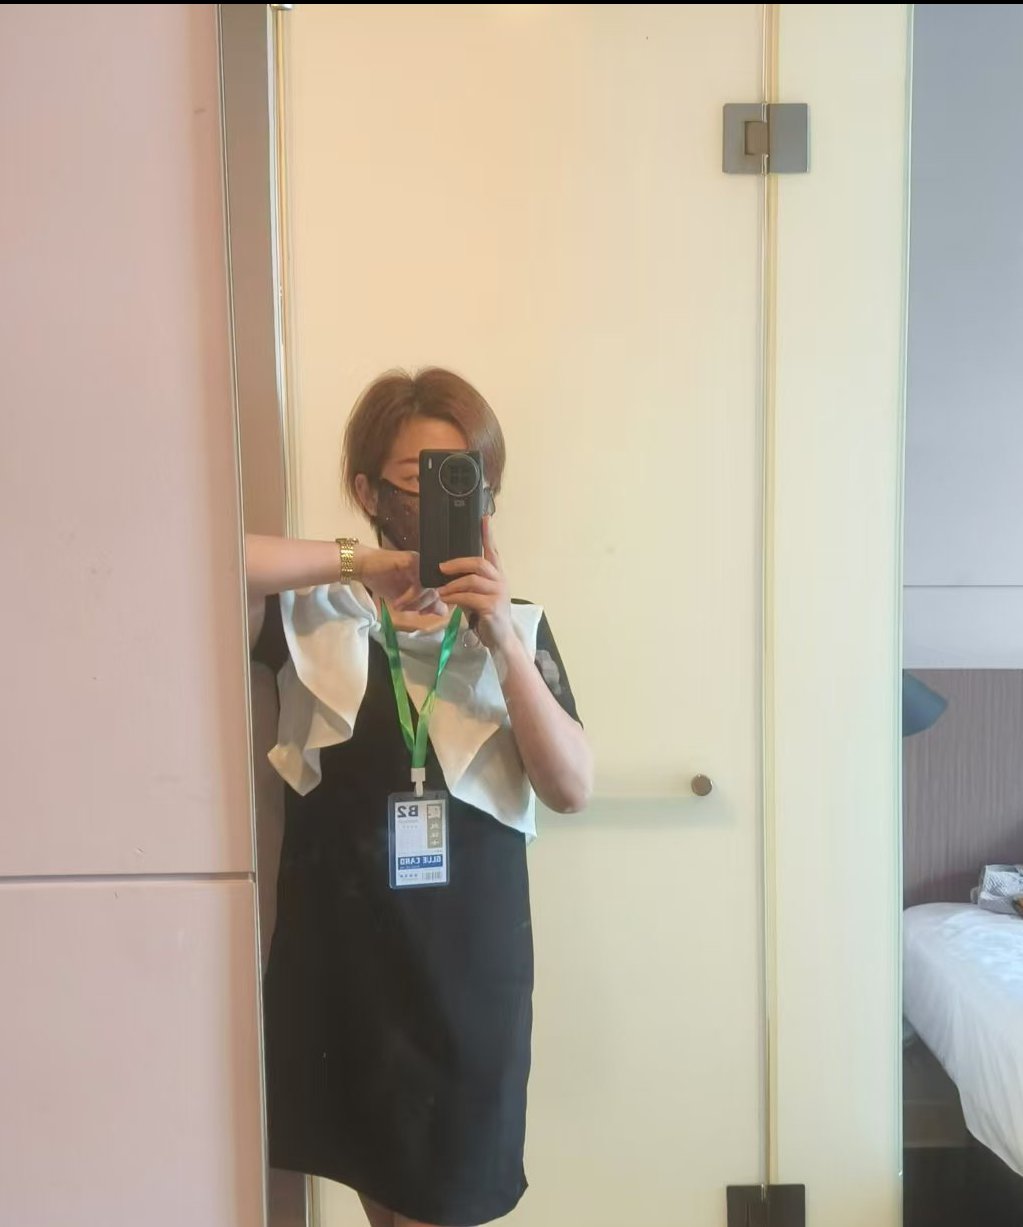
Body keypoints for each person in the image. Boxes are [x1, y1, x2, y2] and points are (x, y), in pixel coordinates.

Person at [247, 367, 593, 1227]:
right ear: (368, 491)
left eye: (467, 475)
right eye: (420, 478)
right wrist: (361, 561)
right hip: (347, 971)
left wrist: (501, 639)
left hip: (467, 978)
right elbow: (208, 557)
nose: (448, 497)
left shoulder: (516, 627)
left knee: (448, 1200)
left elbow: (570, 786)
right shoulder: (315, 620)